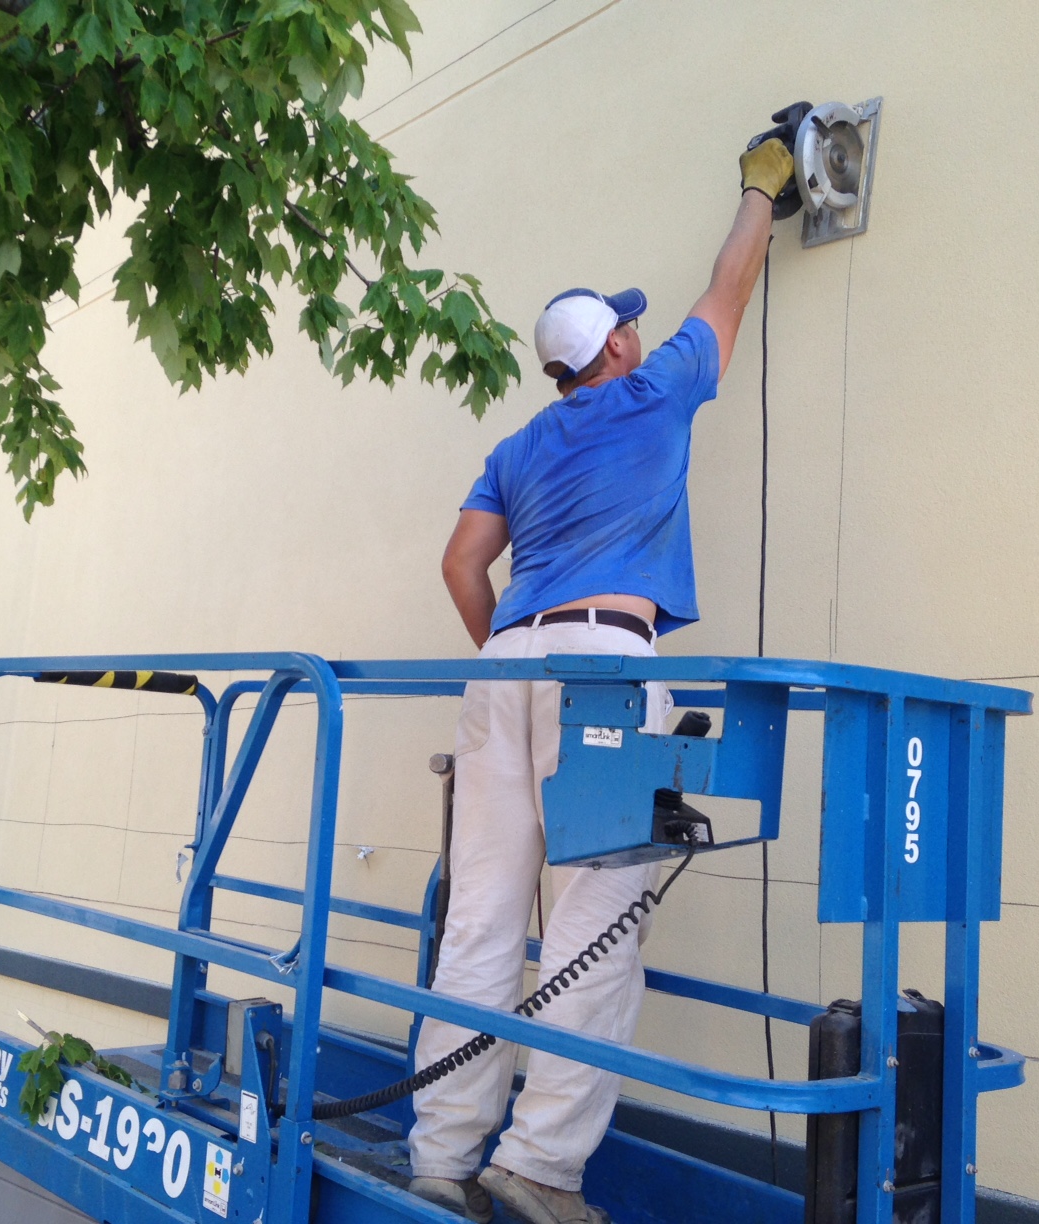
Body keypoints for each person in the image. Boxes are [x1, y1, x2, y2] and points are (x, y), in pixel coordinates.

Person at [406, 134, 796, 1224]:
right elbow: (730, 285)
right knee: (594, 920)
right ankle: (537, 1167)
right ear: (616, 349)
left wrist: (509, 651)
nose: (638, 328)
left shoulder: (519, 445)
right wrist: (762, 189)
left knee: (482, 920)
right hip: (608, 672)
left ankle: (439, 1155)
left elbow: (460, 566)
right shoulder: (658, 388)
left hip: (506, 661)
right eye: (626, 321)